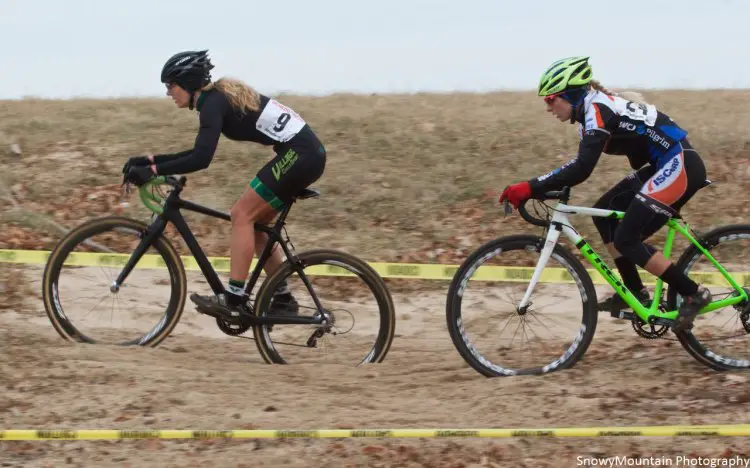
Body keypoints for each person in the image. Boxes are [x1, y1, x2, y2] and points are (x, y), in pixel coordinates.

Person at [499, 56, 711, 332]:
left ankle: (694, 293)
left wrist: (530, 186)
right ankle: (635, 293)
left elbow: (582, 168)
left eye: (551, 99)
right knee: (605, 212)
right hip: (666, 165)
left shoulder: (597, 109)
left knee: (626, 239)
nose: (548, 107)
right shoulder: (589, 114)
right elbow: (578, 166)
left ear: (570, 94)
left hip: (680, 164)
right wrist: (544, 187)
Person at [122, 50, 327, 322]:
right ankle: (283, 299)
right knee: (255, 225)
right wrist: (148, 162)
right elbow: (197, 152)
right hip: (304, 154)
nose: (168, 92)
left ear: (187, 81)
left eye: (170, 85)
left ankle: (234, 298)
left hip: (301, 155)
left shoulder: (213, 103)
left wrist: (152, 171)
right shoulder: (214, 100)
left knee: (241, 214)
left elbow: (201, 159)